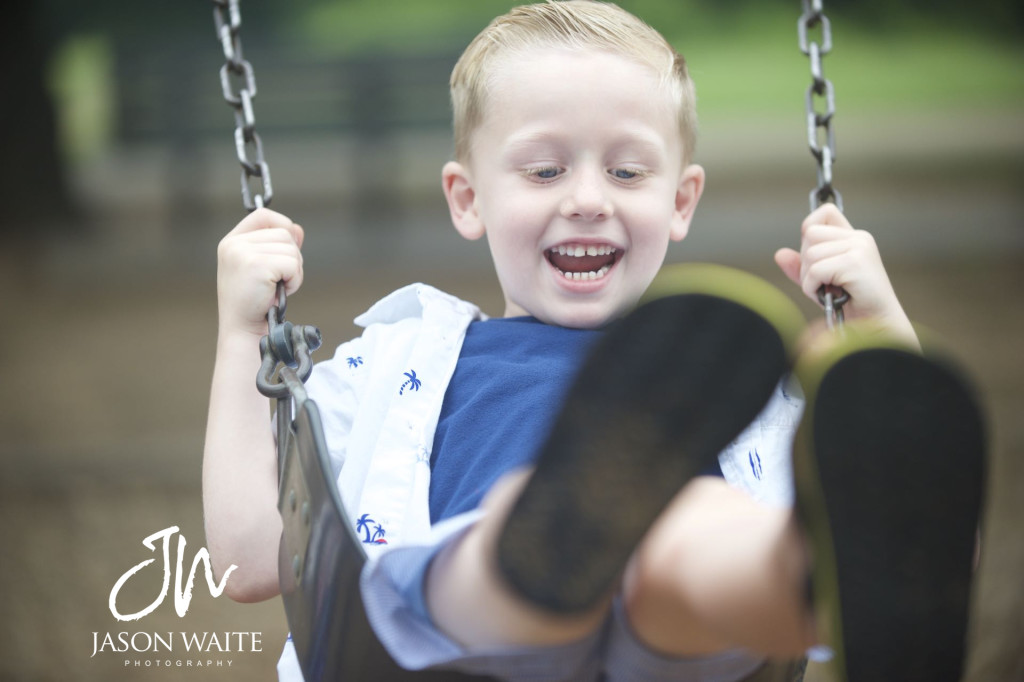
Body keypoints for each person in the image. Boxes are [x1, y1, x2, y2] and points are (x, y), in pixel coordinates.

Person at [202, 2, 986, 681]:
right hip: (446, 659)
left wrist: (877, 323)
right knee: (517, 526)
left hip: (678, 651)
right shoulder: (397, 363)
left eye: (628, 172)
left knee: (687, 531)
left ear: (681, 202)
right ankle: (551, 552)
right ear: (468, 199)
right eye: (544, 171)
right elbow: (249, 560)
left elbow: (929, 553)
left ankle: (805, 583)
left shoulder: (735, 380)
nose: (586, 199)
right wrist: (244, 336)